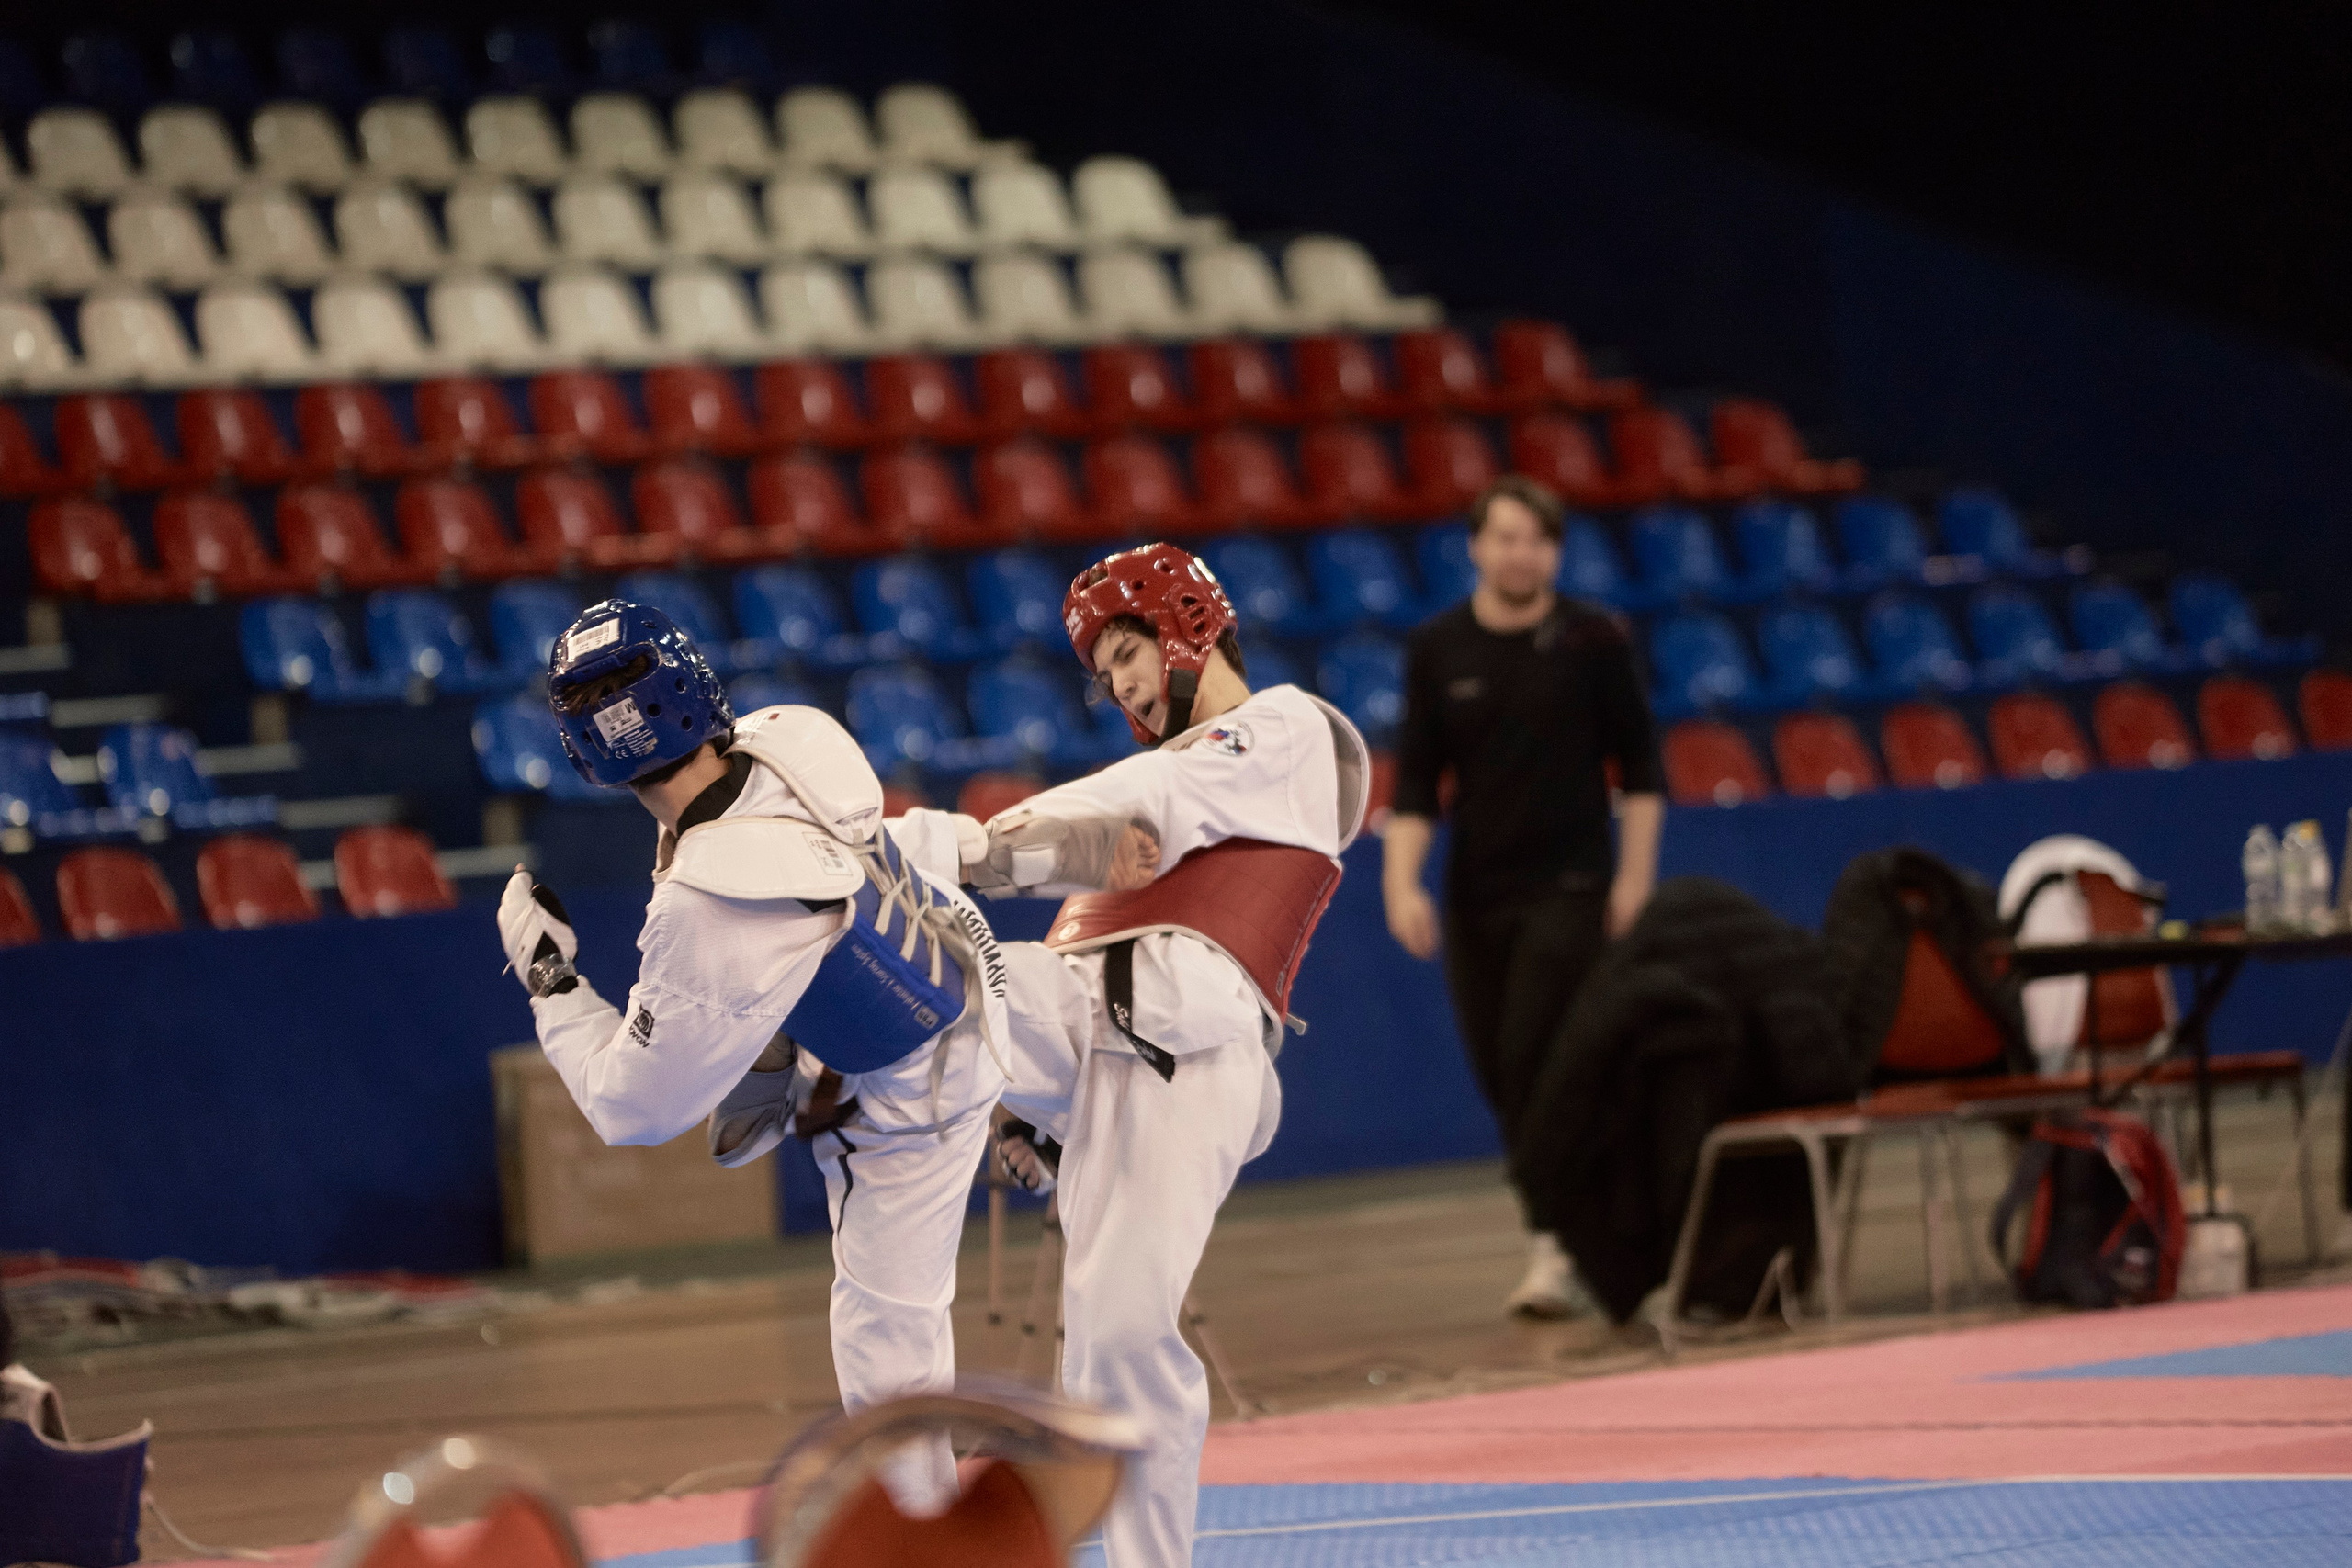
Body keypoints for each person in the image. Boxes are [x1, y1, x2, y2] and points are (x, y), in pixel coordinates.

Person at [493, 598, 1012, 1510]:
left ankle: (936, 1535)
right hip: (978, 973)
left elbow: (634, 1110)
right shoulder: (791, 736)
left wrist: (551, 982)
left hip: (909, 1097)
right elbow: (868, 852)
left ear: (587, 755)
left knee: (884, 1347)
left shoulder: (705, 907)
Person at [941, 543, 1370, 1568]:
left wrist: (976, 847)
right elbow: (1086, 918)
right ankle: (805, 1036)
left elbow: (1140, 800)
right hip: (1090, 1031)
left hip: (1184, 1049)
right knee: (936, 988)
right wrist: (1024, 1106)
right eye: (1105, 676)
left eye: (1126, 653)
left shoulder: (1287, 728)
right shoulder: (1158, 781)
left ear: (1189, 621)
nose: (1122, 686)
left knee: (1122, 1340)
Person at [1380, 477, 1666, 1319]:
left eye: (1536, 540)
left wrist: (1635, 880)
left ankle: (1562, 1247)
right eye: (1505, 537)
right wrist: (1402, 884)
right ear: (1476, 546)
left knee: (1543, 1061)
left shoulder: (1593, 637)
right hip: (1477, 895)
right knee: (1506, 1075)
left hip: (1573, 888)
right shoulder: (1437, 648)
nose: (1520, 553)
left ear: (1555, 550)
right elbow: (1419, 784)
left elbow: (1642, 768)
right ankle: (1571, 1234)